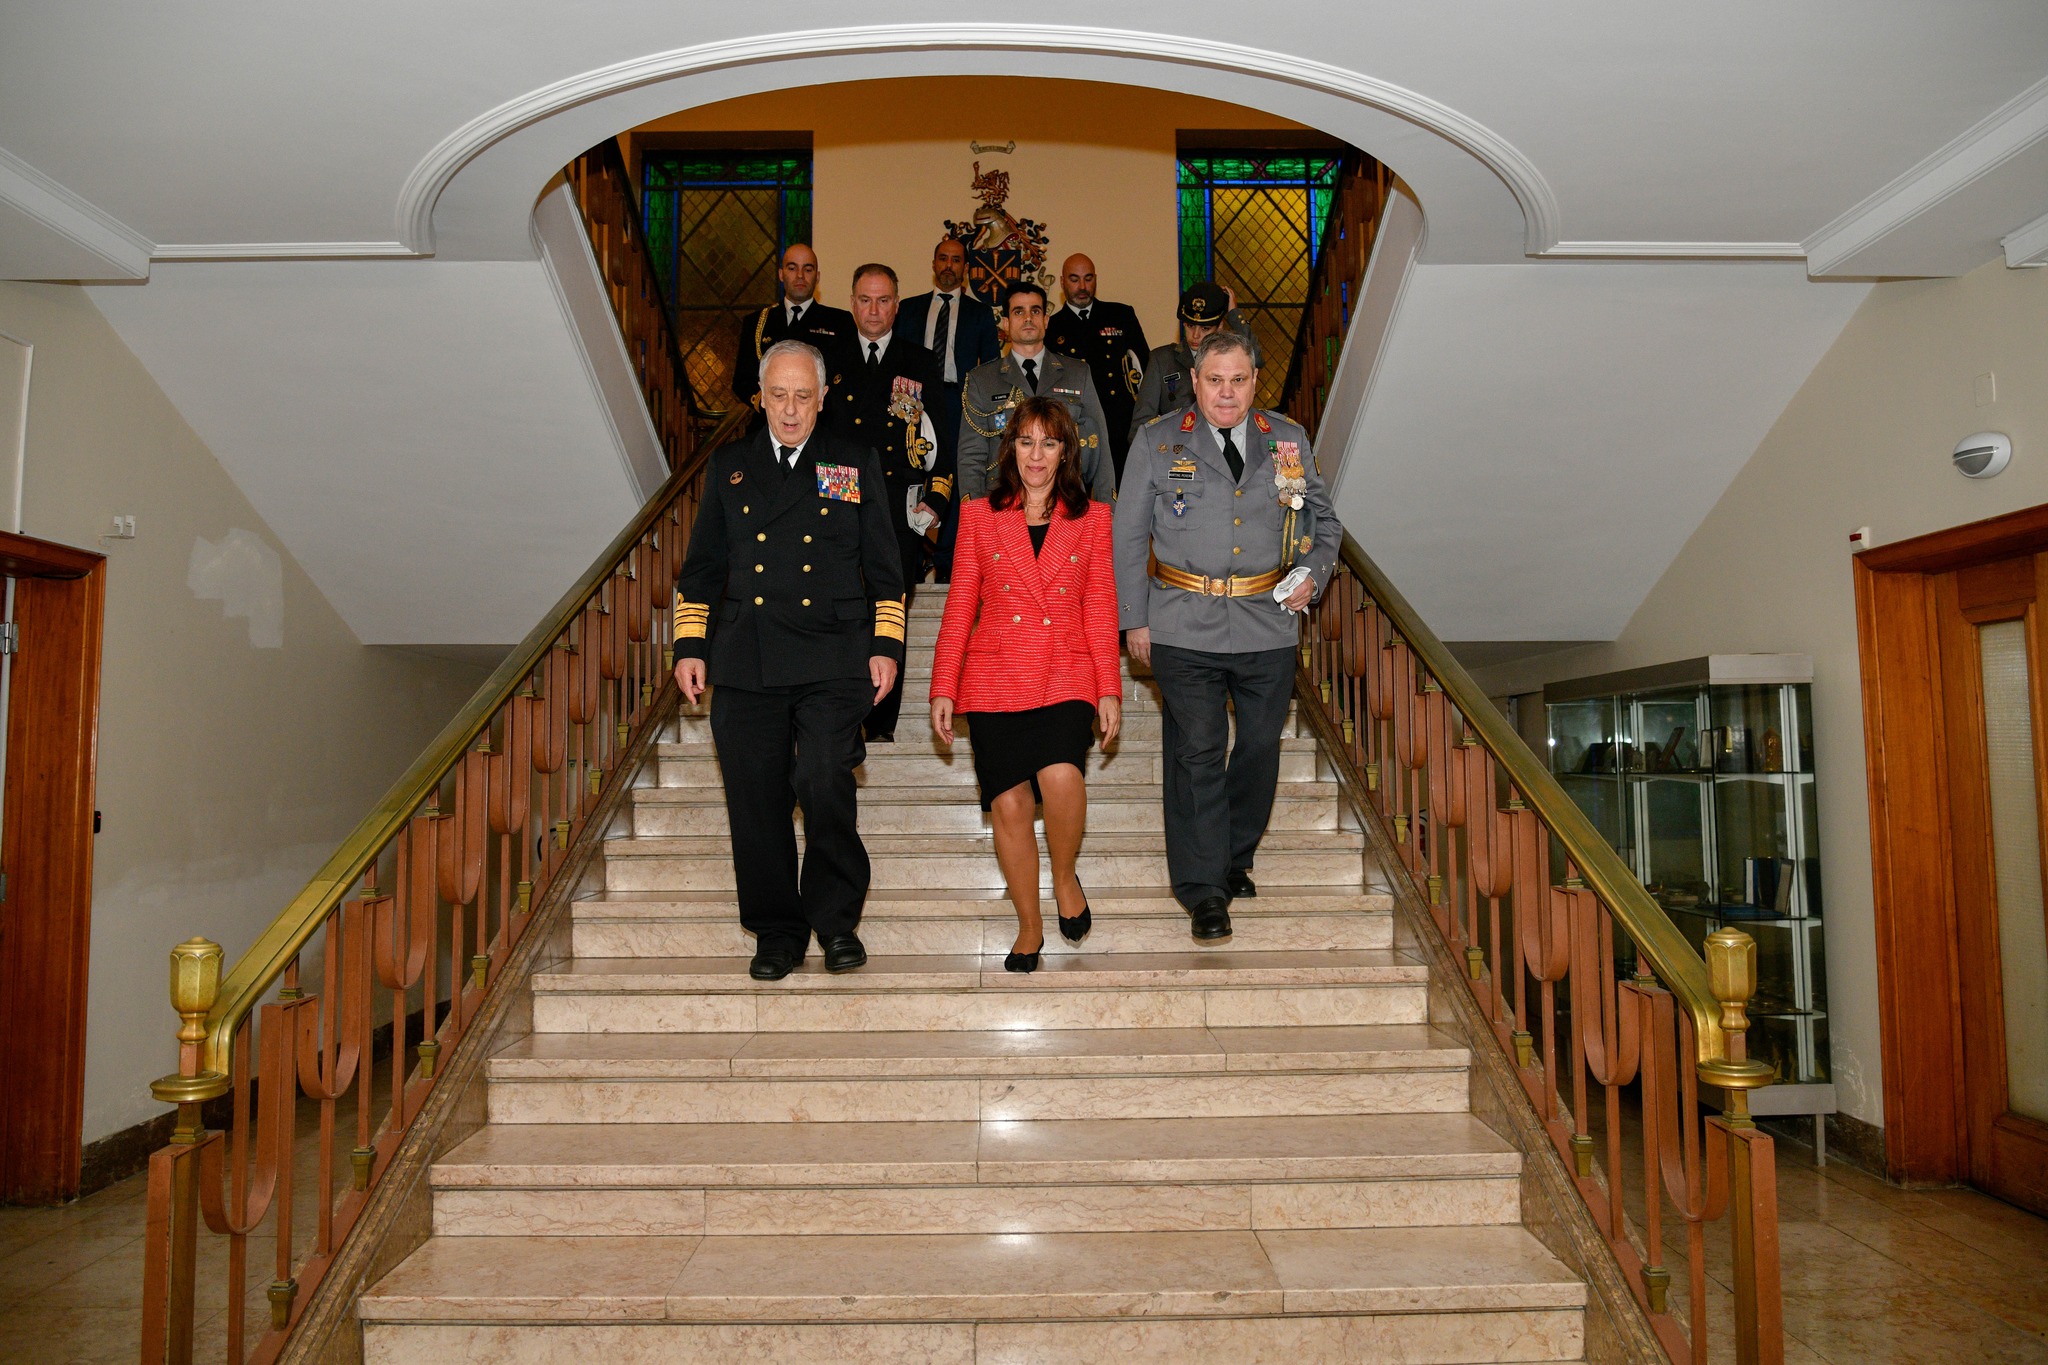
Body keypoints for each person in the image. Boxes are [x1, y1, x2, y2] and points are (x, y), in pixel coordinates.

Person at [673, 339, 905, 981]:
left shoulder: (851, 461)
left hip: (834, 652)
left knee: (824, 775)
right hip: (747, 656)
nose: (792, 409)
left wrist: (886, 646)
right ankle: (777, 931)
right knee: (755, 798)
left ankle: (836, 922)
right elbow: (701, 569)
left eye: (804, 395)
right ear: (760, 397)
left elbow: (886, 569)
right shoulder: (731, 467)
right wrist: (690, 646)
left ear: (823, 398)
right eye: (779, 395)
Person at [1115, 332, 1342, 942]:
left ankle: (1234, 854)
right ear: (1195, 380)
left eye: (1238, 380)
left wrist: (1312, 576)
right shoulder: (1159, 441)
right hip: (1183, 621)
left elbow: (1324, 523)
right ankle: (1204, 889)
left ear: (1254, 382)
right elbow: (1127, 535)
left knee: (1260, 748)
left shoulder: (1286, 440)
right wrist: (1134, 617)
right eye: (1214, 380)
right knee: (1198, 747)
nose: (1226, 392)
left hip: (1268, 622)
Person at [929, 396, 1123, 972]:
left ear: (1066, 452)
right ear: (1010, 447)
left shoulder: (1093, 519)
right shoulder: (980, 516)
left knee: (1061, 775)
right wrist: (943, 685)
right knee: (1010, 804)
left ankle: (1064, 876)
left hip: (1066, 670)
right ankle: (1029, 926)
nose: (1037, 455)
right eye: (1026, 441)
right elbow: (960, 605)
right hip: (995, 675)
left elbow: (1100, 607)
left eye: (1049, 443)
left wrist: (1108, 687)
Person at [822, 262, 950, 742]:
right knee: (843, 611)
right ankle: (841, 713)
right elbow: (815, 437)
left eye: (882, 300)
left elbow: (941, 436)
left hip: (898, 509)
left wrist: (936, 497)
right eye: (864, 300)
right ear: (851, 303)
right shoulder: (828, 358)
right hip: (839, 503)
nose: (873, 310)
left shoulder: (919, 361)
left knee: (890, 610)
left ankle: (880, 722)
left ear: (896, 305)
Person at [897, 237, 1003, 582]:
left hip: (960, 403)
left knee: (957, 479)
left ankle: (946, 561)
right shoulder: (909, 309)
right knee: (910, 474)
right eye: (943, 258)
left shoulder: (979, 313)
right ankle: (912, 558)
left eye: (956, 260)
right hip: (913, 403)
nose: (948, 265)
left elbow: (992, 366)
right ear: (933, 264)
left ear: (965, 268)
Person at [958, 281, 1115, 503]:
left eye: (1035, 311)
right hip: (1003, 503)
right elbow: (971, 456)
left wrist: (1108, 508)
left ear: (1046, 320)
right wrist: (974, 514)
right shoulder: (982, 380)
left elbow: (1100, 445)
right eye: (1018, 311)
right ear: (1006, 323)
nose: (1028, 318)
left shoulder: (1077, 373)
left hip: (1067, 501)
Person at [1044, 253, 1148, 480]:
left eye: (1088, 278)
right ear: (1062, 282)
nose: (1082, 286)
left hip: (1119, 428)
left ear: (1096, 280)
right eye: (1074, 279)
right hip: (1073, 429)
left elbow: (1145, 372)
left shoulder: (1121, 315)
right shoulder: (1052, 327)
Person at [730, 244, 855, 421]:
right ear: (781, 274)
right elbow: (743, 380)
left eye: (808, 269)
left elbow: (847, 378)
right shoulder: (757, 322)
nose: (800, 275)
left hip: (822, 423)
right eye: (792, 268)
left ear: (817, 277)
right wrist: (771, 405)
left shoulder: (840, 321)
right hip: (769, 422)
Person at [1129, 280, 1253, 438]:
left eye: (1205, 328)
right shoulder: (1162, 360)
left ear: (1220, 327)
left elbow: (1254, 358)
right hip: (1176, 447)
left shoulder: (1230, 361)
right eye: (1190, 325)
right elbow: (1141, 423)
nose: (1195, 335)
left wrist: (1235, 315)